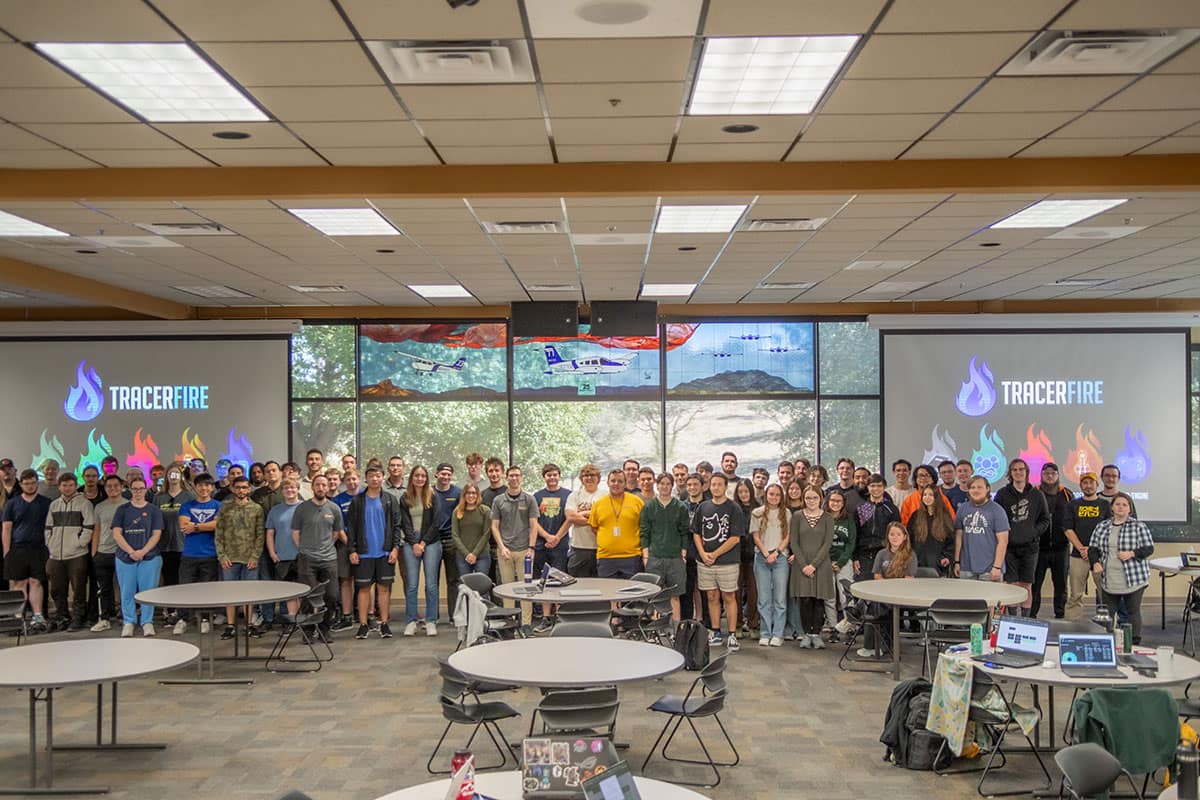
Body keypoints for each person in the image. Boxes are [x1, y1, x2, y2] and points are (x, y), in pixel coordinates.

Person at [346, 465, 402, 640]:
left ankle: (384, 624)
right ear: (366, 478)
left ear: (382, 477)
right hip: (363, 553)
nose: (375, 479)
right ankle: (363, 625)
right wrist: (352, 550)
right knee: (363, 589)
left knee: (384, 589)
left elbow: (396, 526)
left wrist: (395, 548)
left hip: (385, 552)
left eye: (378, 476)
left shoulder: (390, 500)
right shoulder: (357, 501)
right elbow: (352, 528)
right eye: (371, 476)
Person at [1091, 491, 1153, 643]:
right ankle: (1104, 642)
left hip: (1134, 578)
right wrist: (1095, 562)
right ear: (1112, 507)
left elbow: (1148, 548)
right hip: (1110, 578)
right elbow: (1093, 548)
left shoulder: (1139, 526)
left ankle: (1133, 642)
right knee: (1107, 613)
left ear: (1129, 509)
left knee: (1132, 611)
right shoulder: (1102, 526)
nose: (1121, 507)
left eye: (1124, 505)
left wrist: (1132, 553)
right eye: (1117, 504)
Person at [691, 473, 744, 651]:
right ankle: (715, 631)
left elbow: (735, 538)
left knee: (729, 596)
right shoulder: (703, 507)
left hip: (727, 562)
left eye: (719, 485)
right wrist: (703, 553)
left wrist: (714, 554)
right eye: (713, 484)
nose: (715, 488)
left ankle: (732, 634)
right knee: (711, 596)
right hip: (705, 562)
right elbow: (696, 532)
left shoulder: (734, 508)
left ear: (725, 487)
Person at [994, 458, 1049, 616]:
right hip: (1009, 547)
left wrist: (1033, 532)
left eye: (1021, 469)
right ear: (1010, 473)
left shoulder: (1037, 495)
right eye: (1014, 470)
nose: (1018, 472)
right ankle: (1012, 618)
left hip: (1030, 548)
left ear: (1026, 472)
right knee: (1011, 585)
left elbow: (1045, 519)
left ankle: (1026, 619)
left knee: (1026, 585)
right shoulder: (1002, 494)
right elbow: (997, 518)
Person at [111, 477, 164, 637]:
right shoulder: (122, 510)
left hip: (149, 557)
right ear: (130, 490)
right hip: (125, 558)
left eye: (141, 488)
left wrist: (142, 552)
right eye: (135, 489)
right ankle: (129, 621)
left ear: (146, 489)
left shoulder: (154, 510)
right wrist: (131, 552)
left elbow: (156, 534)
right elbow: (116, 533)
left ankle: (147, 622)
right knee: (127, 591)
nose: (138, 492)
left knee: (148, 592)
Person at [291, 474, 344, 633]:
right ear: (313, 488)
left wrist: (326, 546)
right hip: (307, 559)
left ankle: (324, 629)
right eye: (318, 485)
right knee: (308, 596)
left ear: (328, 487)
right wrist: (304, 549)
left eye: (324, 485)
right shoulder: (302, 508)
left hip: (329, 559)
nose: (321, 488)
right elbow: (295, 532)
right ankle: (308, 631)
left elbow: (336, 532)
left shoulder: (334, 508)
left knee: (331, 596)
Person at [214, 476, 265, 639]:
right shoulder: (224, 508)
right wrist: (222, 556)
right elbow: (218, 534)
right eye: (238, 487)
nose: (241, 490)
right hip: (229, 558)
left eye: (244, 487)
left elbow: (260, 535)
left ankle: (249, 624)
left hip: (250, 559)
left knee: (250, 593)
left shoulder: (256, 509)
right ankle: (230, 625)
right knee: (230, 593)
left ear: (249, 489)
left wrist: (255, 556)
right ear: (232, 489)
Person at [2, 469, 52, 631]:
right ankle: (19, 616)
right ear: (21, 484)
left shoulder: (46, 503)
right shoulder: (12, 503)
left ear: (37, 483)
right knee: (19, 583)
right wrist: (7, 552)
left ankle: (38, 616)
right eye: (26, 483)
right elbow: (7, 529)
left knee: (36, 582)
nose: (30, 486)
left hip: (39, 548)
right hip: (17, 548)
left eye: (33, 483)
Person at [44, 472, 94, 631]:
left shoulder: (84, 503)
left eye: (71, 485)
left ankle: (78, 618)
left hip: (77, 554)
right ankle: (62, 616)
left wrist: (79, 543)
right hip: (55, 555)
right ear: (59, 486)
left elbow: (89, 526)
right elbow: (48, 527)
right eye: (64, 485)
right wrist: (50, 544)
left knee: (78, 588)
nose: (67, 488)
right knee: (57, 589)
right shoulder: (54, 505)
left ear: (75, 486)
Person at [491, 465, 537, 634]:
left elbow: (534, 526)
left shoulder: (529, 499)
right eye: (511, 475)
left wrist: (531, 548)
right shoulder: (498, 501)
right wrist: (502, 547)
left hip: (525, 550)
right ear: (506, 478)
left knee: (527, 588)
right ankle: (509, 623)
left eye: (517, 475)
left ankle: (526, 623)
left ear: (521, 478)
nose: (514, 478)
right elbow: (494, 526)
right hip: (506, 552)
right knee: (507, 588)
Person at [639, 473, 689, 624]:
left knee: (675, 594)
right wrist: (646, 556)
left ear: (672, 486)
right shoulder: (649, 506)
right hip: (655, 557)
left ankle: (676, 626)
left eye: (668, 484)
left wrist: (683, 554)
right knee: (655, 594)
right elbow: (644, 532)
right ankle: (656, 626)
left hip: (675, 557)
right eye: (662, 483)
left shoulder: (680, 507)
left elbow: (684, 532)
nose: (665, 486)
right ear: (657, 485)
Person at [176, 472, 222, 635]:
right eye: (200, 485)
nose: (204, 488)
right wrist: (206, 525)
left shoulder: (218, 505)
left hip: (210, 553)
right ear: (195, 487)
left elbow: (217, 525)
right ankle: (182, 619)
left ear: (212, 487)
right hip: (189, 554)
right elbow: (183, 525)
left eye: (207, 485)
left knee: (207, 589)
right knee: (185, 588)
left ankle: (204, 619)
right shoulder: (186, 505)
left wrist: (195, 526)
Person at [789, 485, 833, 650]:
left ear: (820, 498)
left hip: (820, 564)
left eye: (814, 497)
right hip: (802, 564)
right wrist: (804, 565)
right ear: (803, 499)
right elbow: (794, 542)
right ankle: (807, 634)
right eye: (808, 498)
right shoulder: (797, 516)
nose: (811, 501)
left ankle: (817, 634)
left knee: (818, 599)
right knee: (805, 599)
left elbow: (827, 543)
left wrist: (814, 565)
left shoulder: (828, 517)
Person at [863, 522, 917, 656]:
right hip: (883, 592)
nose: (895, 537)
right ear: (887, 536)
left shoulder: (910, 555)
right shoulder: (881, 554)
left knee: (875, 606)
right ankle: (880, 645)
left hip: (902, 595)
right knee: (877, 604)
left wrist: (890, 587)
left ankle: (873, 646)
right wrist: (886, 587)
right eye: (892, 534)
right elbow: (877, 575)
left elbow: (908, 579)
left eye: (898, 534)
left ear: (905, 536)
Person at [399, 465, 440, 636]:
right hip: (411, 543)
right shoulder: (405, 497)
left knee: (431, 585)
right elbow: (405, 523)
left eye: (423, 476)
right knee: (412, 585)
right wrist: (414, 543)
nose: (420, 479)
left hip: (430, 542)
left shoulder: (433, 495)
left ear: (427, 478)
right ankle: (411, 621)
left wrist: (423, 543)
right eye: (417, 475)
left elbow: (436, 522)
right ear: (412, 478)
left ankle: (431, 621)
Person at [1064, 472, 1111, 621]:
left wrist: (1092, 551)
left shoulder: (1105, 505)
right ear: (1081, 485)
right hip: (1079, 556)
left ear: (1097, 485)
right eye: (1085, 483)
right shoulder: (1073, 504)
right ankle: (1072, 626)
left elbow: (1109, 529)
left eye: (1091, 483)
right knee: (1075, 594)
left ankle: (1108, 625)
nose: (1088, 486)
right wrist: (1081, 549)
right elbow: (1068, 529)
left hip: (1101, 557)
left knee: (1106, 593)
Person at [153, 463, 193, 630]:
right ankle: (170, 612)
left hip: (183, 545)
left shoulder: (188, 496)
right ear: (166, 477)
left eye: (176, 474)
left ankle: (183, 613)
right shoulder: (158, 497)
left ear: (181, 477)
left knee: (182, 581)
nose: (173, 477)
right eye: (171, 474)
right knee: (169, 580)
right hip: (164, 546)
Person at [533, 463, 571, 632]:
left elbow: (569, 519)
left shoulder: (568, 495)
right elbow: (533, 522)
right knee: (544, 583)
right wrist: (547, 536)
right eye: (549, 475)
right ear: (544, 477)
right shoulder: (537, 496)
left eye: (555, 475)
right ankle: (546, 617)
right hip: (542, 545)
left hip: (560, 545)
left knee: (560, 583)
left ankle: (560, 617)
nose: (552, 478)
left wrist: (556, 537)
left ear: (559, 476)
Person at [751, 483, 790, 647]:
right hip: (762, 557)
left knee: (780, 599)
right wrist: (766, 553)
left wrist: (777, 553)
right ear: (766, 495)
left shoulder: (786, 513)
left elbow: (787, 536)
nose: (774, 497)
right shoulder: (757, 513)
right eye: (771, 494)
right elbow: (756, 536)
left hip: (780, 558)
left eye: (777, 495)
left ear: (781, 497)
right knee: (764, 598)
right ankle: (765, 633)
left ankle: (778, 634)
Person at [1033, 463, 1073, 619]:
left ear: (1058, 475)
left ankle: (1060, 614)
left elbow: (1072, 519)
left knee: (1061, 584)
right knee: (1035, 584)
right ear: (1041, 475)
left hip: (1061, 548)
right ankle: (1031, 615)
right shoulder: (1034, 492)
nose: (1050, 476)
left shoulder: (1067, 494)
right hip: (1038, 548)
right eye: (1046, 473)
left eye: (1053, 473)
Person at [589, 469, 645, 581]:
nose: (616, 484)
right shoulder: (599, 504)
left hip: (631, 557)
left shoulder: (637, 502)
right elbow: (594, 527)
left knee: (632, 595)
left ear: (625, 483)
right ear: (608, 483)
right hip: (606, 557)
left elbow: (644, 527)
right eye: (613, 481)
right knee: (608, 594)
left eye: (620, 481)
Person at [954, 475, 1010, 582]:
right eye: (972, 487)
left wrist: (997, 567)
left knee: (990, 599)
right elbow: (958, 537)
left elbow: (1003, 541)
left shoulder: (997, 510)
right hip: (966, 568)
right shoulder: (963, 509)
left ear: (987, 489)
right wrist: (957, 562)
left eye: (979, 487)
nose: (976, 490)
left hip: (989, 570)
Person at [89, 475, 125, 631]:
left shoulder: (128, 505)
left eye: (116, 485)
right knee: (104, 589)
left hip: (123, 552)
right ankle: (104, 618)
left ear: (122, 487)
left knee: (124, 587)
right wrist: (94, 553)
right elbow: (96, 530)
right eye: (109, 486)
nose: (113, 489)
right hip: (103, 552)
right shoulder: (99, 507)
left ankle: (125, 616)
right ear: (105, 488)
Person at [264, 478, 303, 618]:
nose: (289, 490)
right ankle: (293, 619)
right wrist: (272, 552)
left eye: (292, 487)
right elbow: (270, 533)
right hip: (283, 556)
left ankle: (303, 620)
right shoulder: (275, 510)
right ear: (282, 491)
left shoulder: (305, 507)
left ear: (298, 489)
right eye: (286, 488)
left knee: (303, 589)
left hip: (302, 556)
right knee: (289, 591)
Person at [432, 462, 462, 626]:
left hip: (451, 540)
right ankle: (433, 616)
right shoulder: (429, 492)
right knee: (433, 581)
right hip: (433, 541)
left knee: (453, 580)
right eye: (442, 473)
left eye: (448, 474)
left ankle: (453, 616)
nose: (445, 476)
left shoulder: (457, 492)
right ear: (436, 474)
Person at [853, 474, 899, 582]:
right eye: (872, 486)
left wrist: (896, 555)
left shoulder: (891, 509)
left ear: (884, 487)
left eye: (879, 486)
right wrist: (855, 557)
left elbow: (897, 534)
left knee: (885, 589)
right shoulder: (862, 508)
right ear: (868, 488)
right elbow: (856, 534)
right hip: (864, 555)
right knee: (864, 588)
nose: (876, 489)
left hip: (886, 554)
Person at [825, 490, 857, 640]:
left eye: (838, 501)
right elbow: (819, 541)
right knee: (829, 597)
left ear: (843, 503)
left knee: (846, 597)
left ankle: (848, 626)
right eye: (833, 500)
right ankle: (833, 628)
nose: (835, 503)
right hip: (825, 562)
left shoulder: (848, 519)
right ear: (828, 501)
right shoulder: (823, 518)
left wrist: (841, 562)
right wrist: (827, 561)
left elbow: (851, 543)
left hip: (844, 562)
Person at [733, 479, 760, 636]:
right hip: (735, 555)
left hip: (754, 554)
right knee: (735, 591)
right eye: (740, 491)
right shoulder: (733, 508)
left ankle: (753, 624)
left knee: (754, 591)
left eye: (746, 491)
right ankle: (736, 624)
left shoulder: (758, 508)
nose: (743, 494)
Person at [908, 486, 955, 576]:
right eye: (925, 495)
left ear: (936, 497)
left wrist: (946, 557)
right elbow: (909, 539)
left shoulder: (944, 517)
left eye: (930, 494)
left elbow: (951, 541)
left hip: (937, 565)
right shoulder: (916, 516)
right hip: (918, 563)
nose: (927, 497)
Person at [565, 464, 602, 578]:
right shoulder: (575, 495)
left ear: (598, 478)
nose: (589, 478)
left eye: (592, 475)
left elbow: (606, 518)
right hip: (578, 548)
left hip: (600, 549)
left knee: (600, 585)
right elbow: (570, 517)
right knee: (577, 585)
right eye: (586, 475)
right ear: (581, 479)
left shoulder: (605, 495)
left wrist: (582, 514)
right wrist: (595, 518)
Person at [452, 483, 492, 577]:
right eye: (468, 493)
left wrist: (474, 554)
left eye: (474, 493)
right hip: (463, 556)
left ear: (478, 495)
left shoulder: (485, 510)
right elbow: (455, 535)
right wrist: (467, 554)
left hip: (482, 555)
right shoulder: (457, 511)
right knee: (466, 588)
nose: (471, 496)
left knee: (482, 587)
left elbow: (486, 533)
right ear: (464, 495)